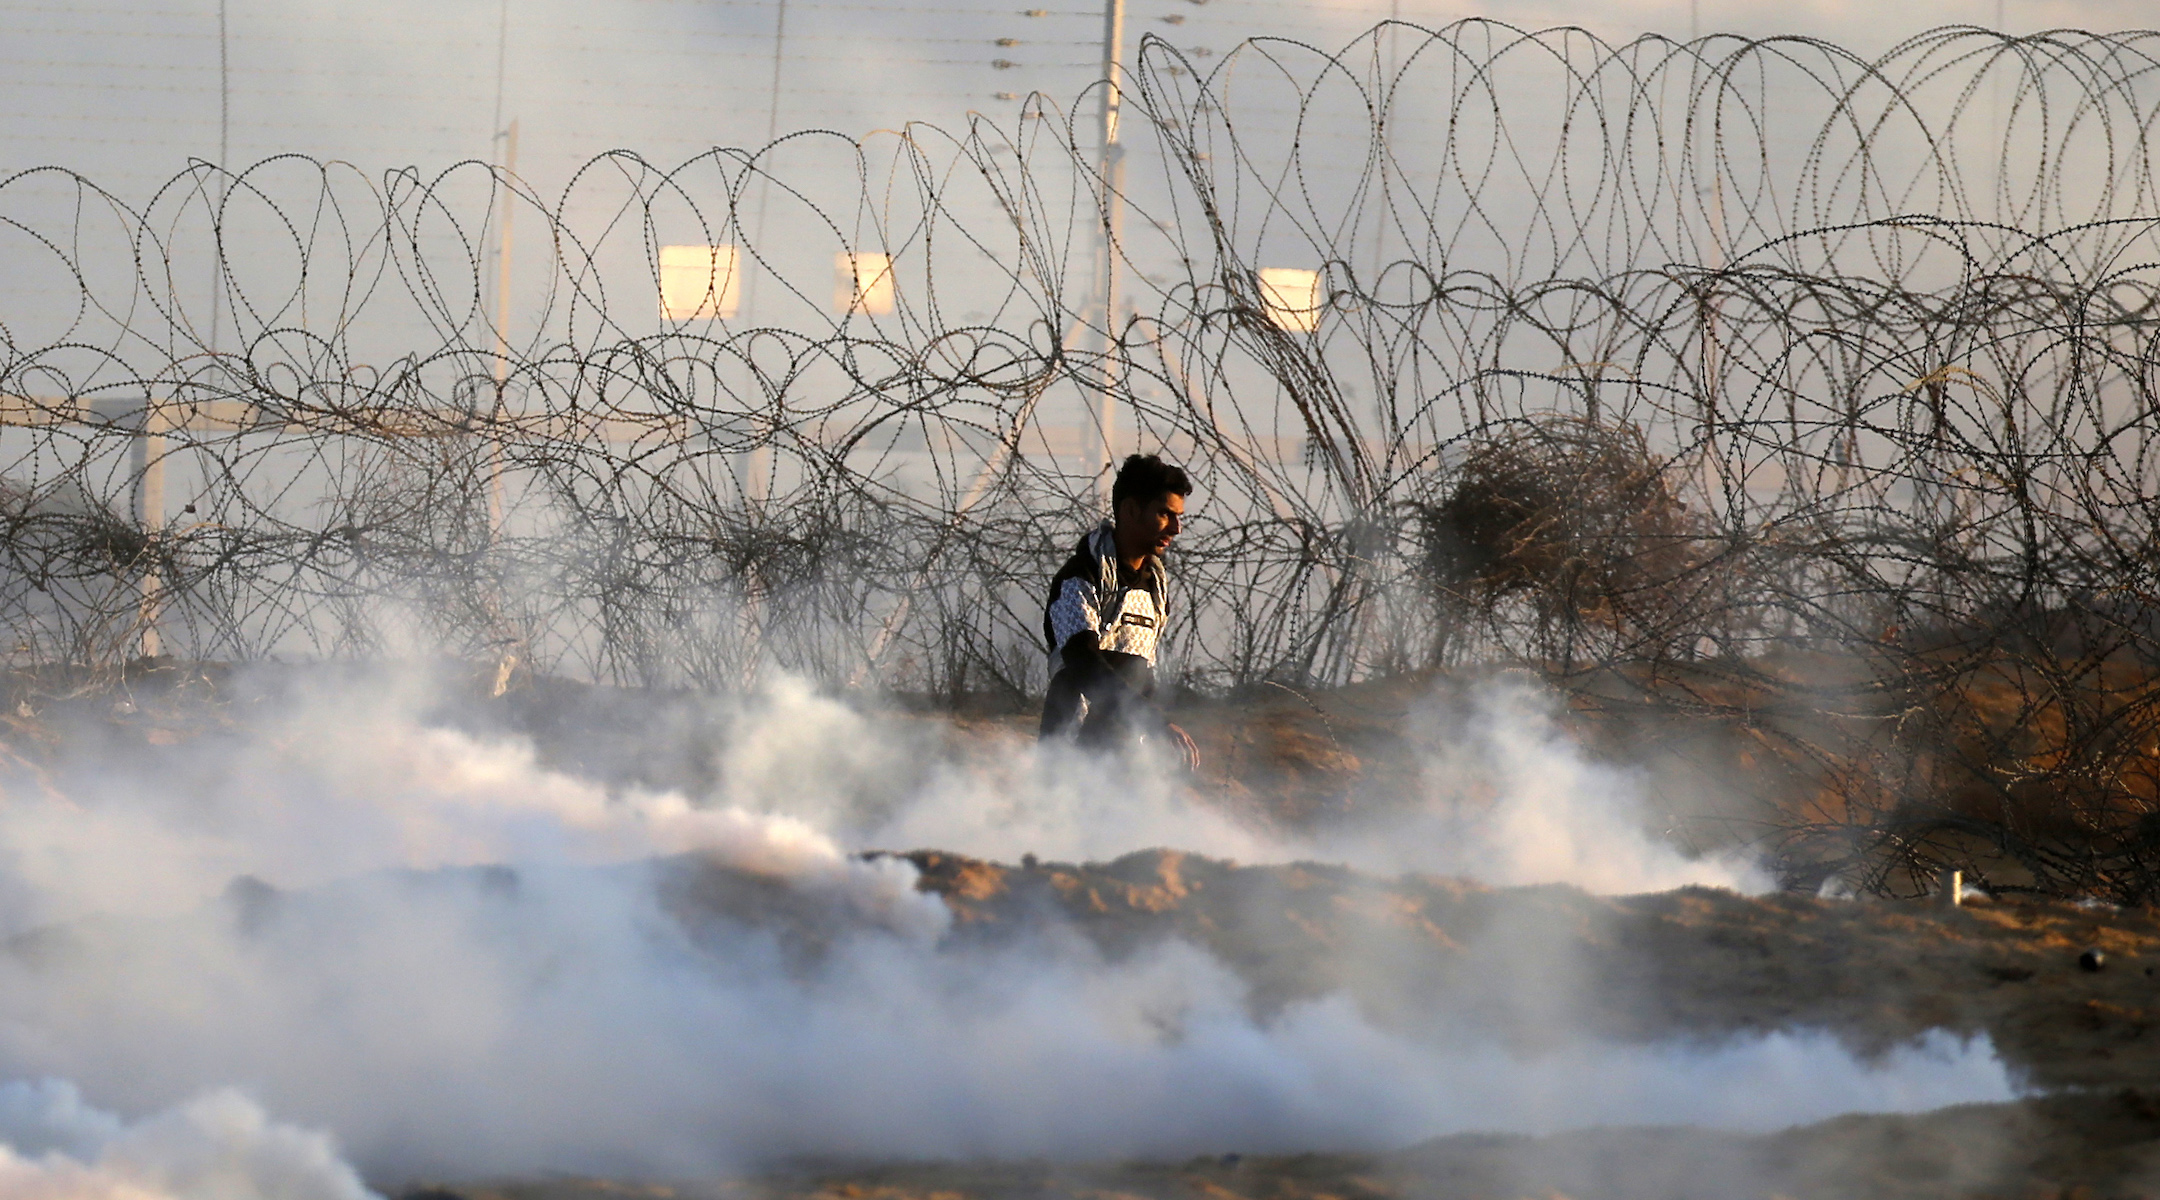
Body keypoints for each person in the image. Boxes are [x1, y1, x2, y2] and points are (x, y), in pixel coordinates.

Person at [1039, 453, 1199, 767]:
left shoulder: (1155, 586)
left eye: (1179, 516)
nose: (1177, 528)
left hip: (1128, 762)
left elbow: (1142, 672)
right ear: (1130, 510)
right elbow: (1083, 663)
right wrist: (1153, 721)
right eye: (1165, 514)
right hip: (1068, 759)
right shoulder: (1079, 578)